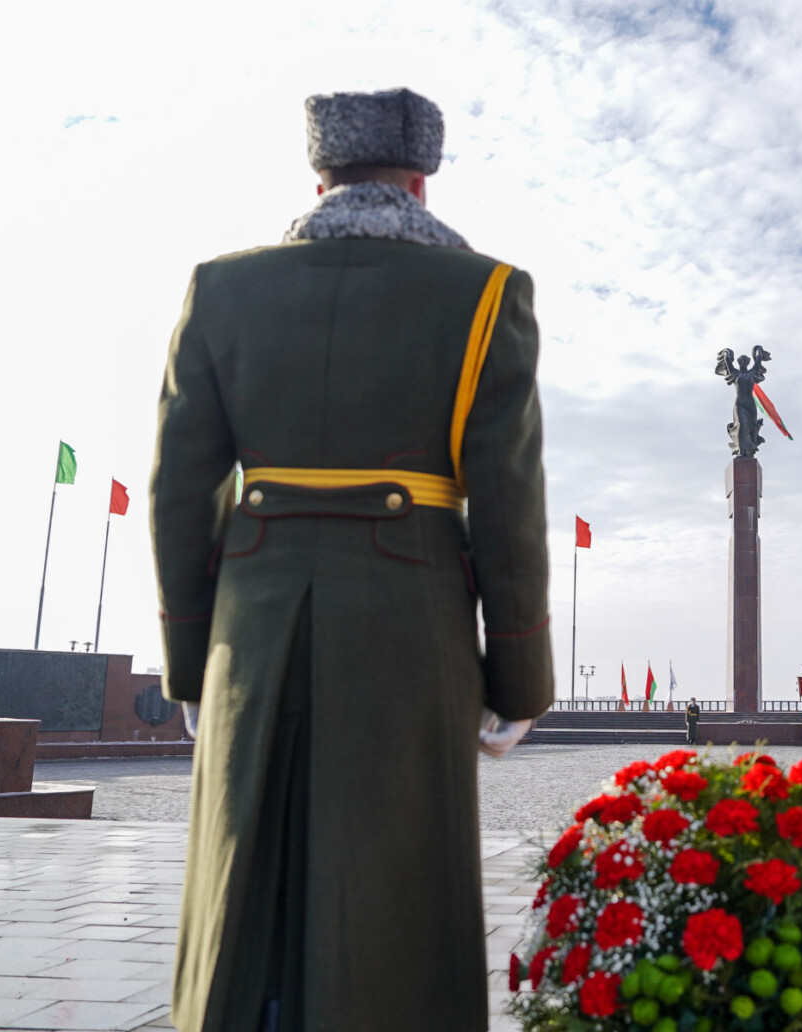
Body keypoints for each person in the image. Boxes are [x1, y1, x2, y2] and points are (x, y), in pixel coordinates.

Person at [150, 88, 554, 1032]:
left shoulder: (221, 287)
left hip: (250, 621)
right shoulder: (487, 294)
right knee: (396, 902)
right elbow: (508, 504)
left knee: (241, 886)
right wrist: (520, 681)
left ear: (318, 178)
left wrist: (190, 662)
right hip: (411, 625)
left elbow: (179, 492)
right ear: (421, 181)